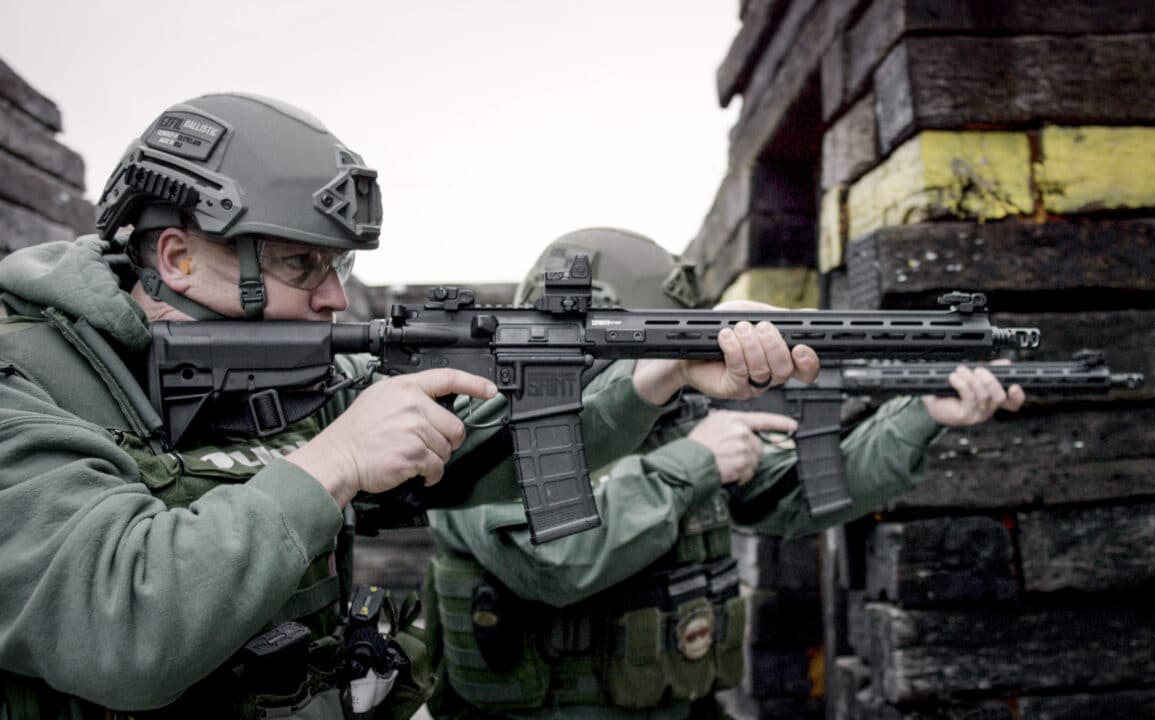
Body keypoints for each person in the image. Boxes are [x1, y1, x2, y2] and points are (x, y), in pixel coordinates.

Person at [0, 96, 816, 719]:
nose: (332, 298)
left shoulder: (288, 374)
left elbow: (478, 455)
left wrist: (658, 375)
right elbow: (118, 624)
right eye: (299, 265)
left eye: (340, 268)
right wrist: (333, 463)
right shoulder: (24, 380)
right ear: (177, 254)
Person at [423, 228, 1025, 719]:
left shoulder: (673, 426)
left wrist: (921, 414)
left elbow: (807, 490)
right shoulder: (484, 440)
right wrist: (697, 462)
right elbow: (555, 562)